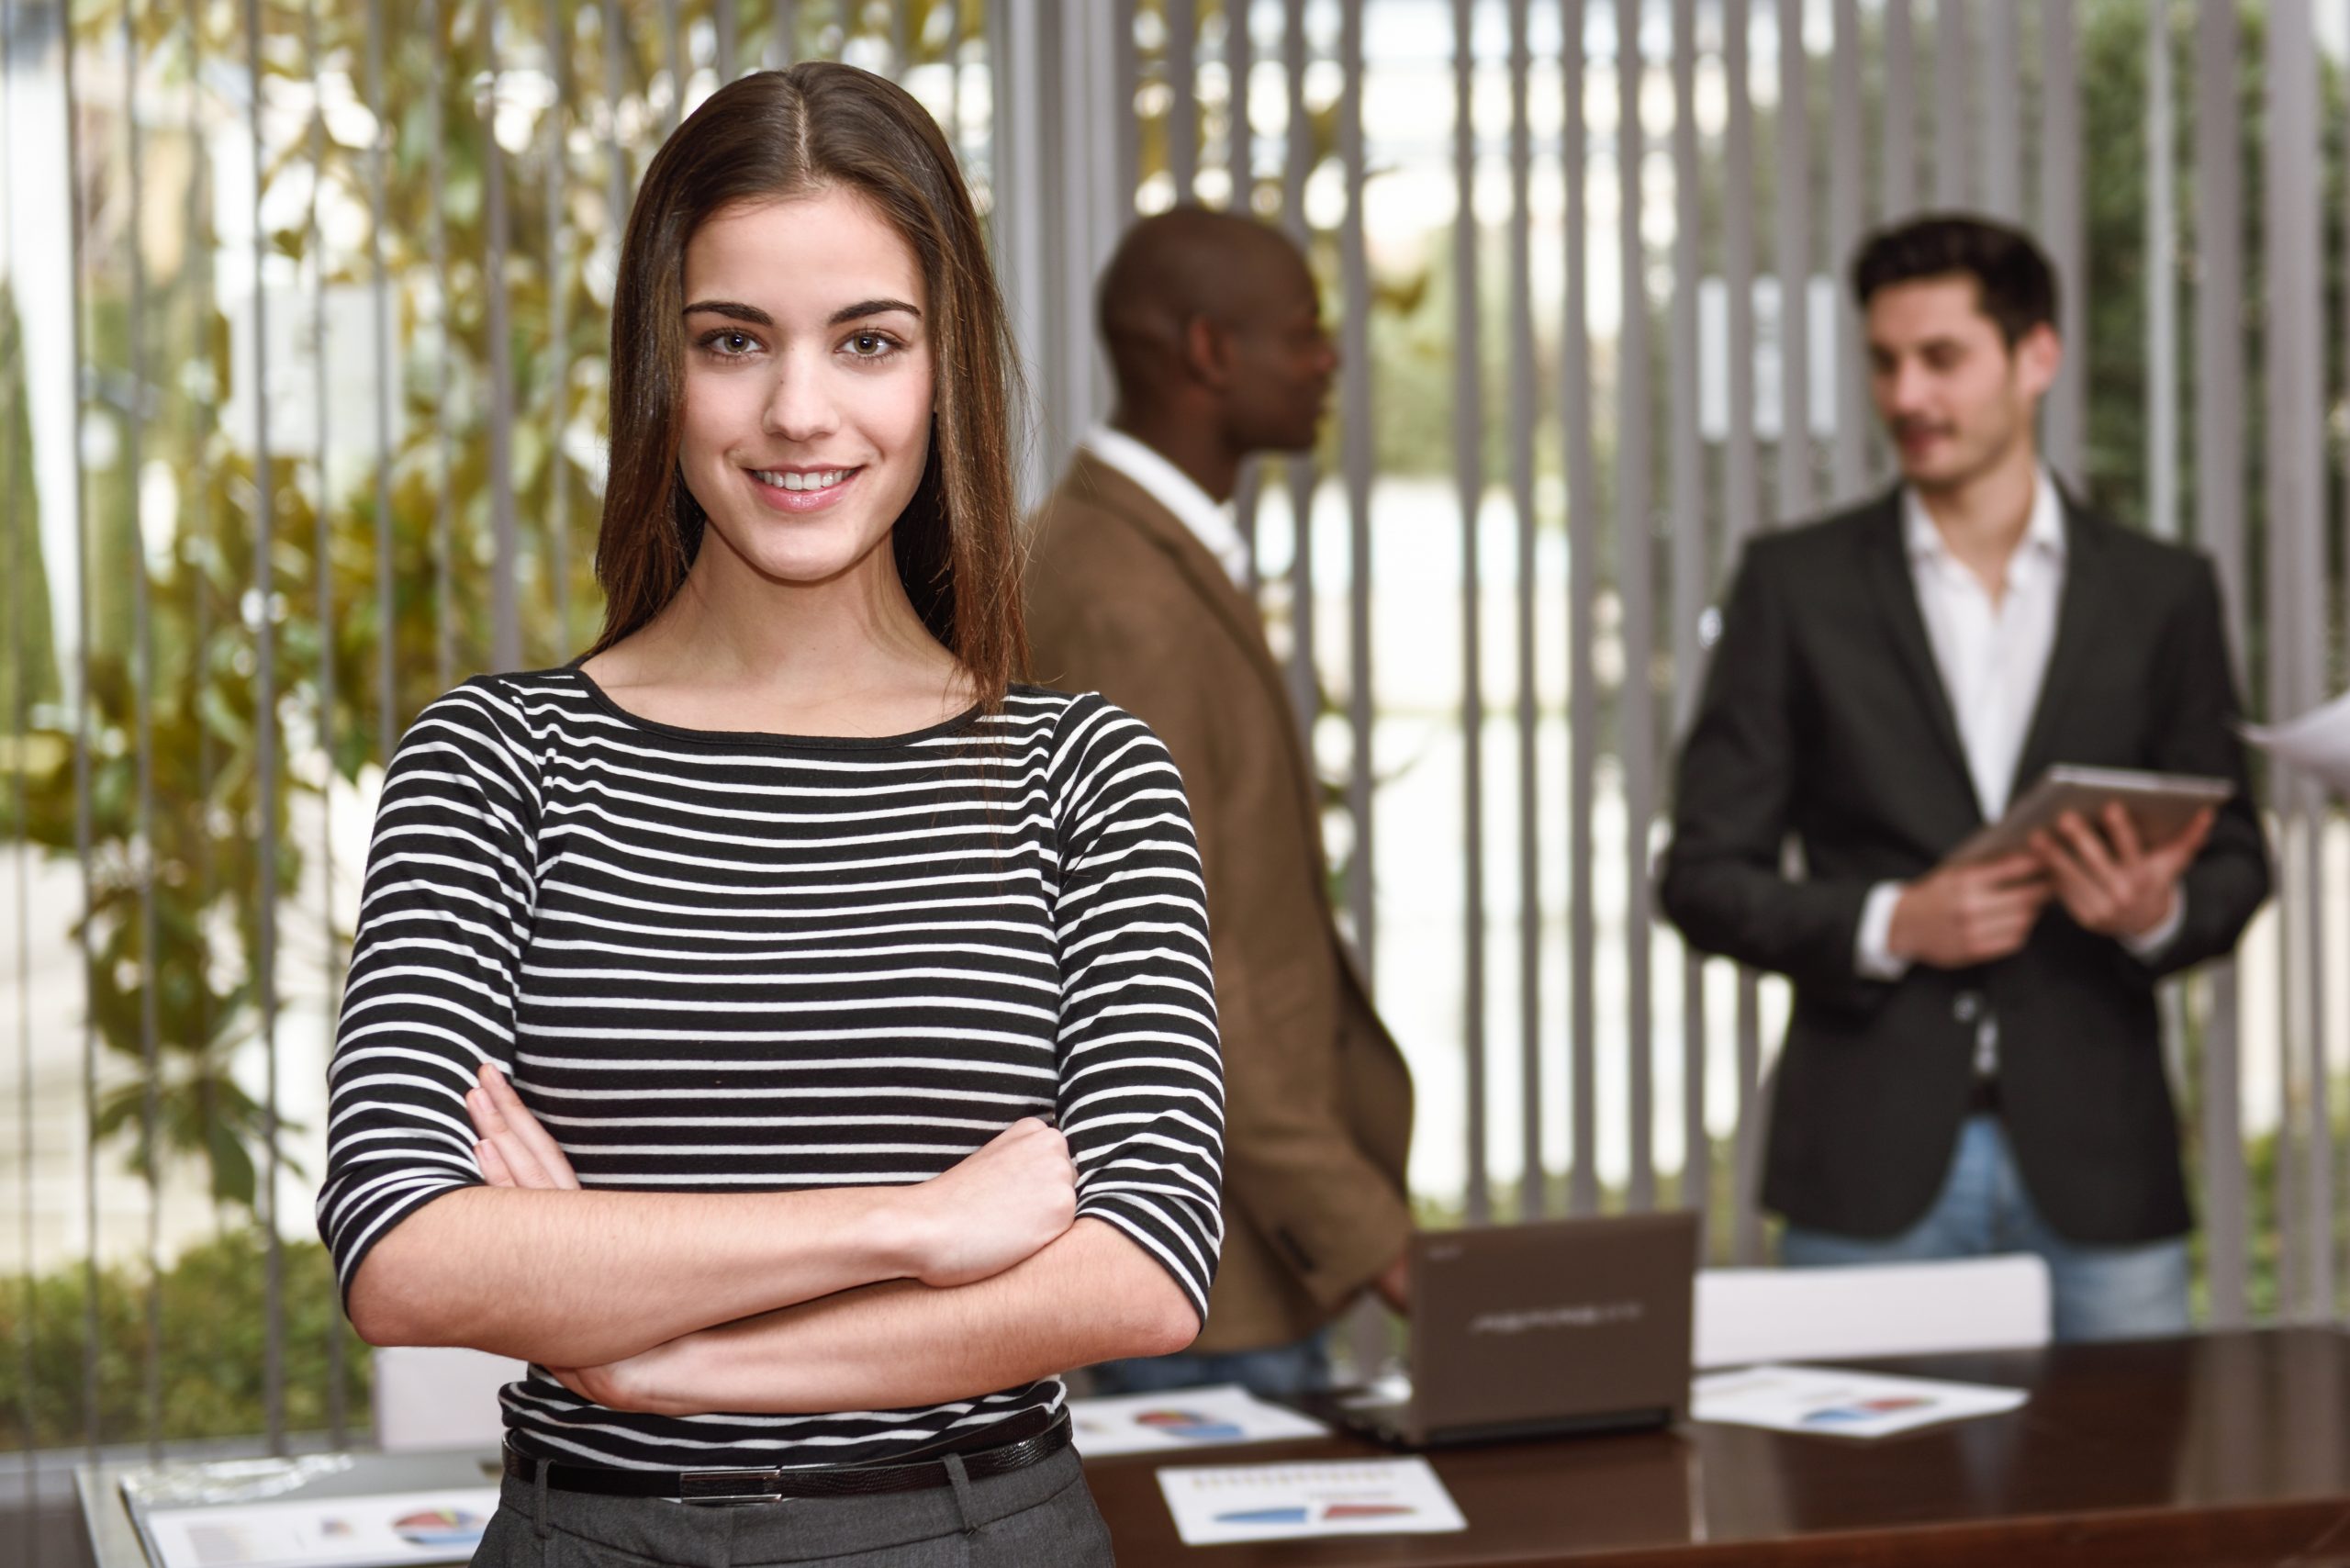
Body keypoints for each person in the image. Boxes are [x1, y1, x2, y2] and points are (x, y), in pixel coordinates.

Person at [317, 63, 1223, 1566]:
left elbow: (1141, 1264)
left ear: (943, 374)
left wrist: (658, 1356)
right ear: (658, 374)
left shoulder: (1085, 773)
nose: (800, 411)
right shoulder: (497, 759)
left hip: (981, 1534)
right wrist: (912, 1228)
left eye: (869, 341)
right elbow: (406, 1246)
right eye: (733, 341)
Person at [1659, 213, 2270, 1343]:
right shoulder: (1792, 587)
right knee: (1858, 1520)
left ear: (2036, 356)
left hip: (2102, 1164)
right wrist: (1896, 920)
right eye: (1884, 362)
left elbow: (2237, 855)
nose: (1906, 397)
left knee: (2126, 1510)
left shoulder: (2161, 593)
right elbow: (1698, 873)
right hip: (1865, 1165)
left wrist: (2159, 910)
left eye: (1942, 358)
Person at [1024, 207, 1412, 1398]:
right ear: (1207, 353)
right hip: (1210, 1269)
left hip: (1236, 1261)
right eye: (1303, 330)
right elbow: (1173, 962)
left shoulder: (1144, 554)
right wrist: (1368, 1233)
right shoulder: (1118, 594)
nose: (1330, 356)